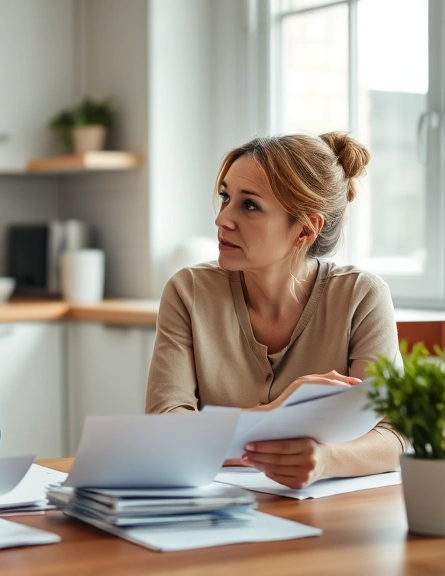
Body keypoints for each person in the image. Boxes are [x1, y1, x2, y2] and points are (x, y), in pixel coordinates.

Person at [145, 132, 403, 489]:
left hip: (331, 519)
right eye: (225, 196)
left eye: (249, 205)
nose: (222, 219)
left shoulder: (362, 295)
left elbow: (394, 432)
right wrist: (277, 413)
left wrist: (326, 461)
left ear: (306, 230)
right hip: (213, 513)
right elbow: (163, 430)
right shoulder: (188, 291)